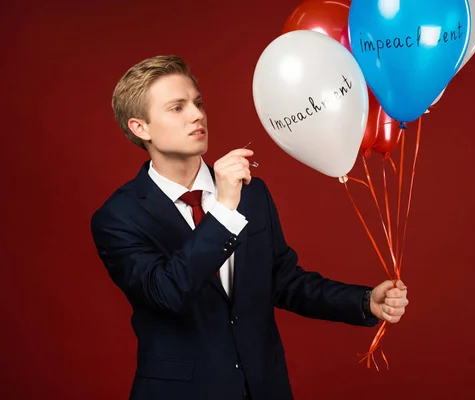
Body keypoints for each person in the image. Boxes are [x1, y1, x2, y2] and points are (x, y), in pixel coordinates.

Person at [90, 55, 409, 400]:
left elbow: (283, 281)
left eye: (197, 103)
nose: (198, 115)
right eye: (177, 108)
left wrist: (363, 301)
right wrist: (224, 208)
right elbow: (169, 292)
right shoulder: (118, 217)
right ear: (141, 128)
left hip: (264, 387)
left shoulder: (253, 193)